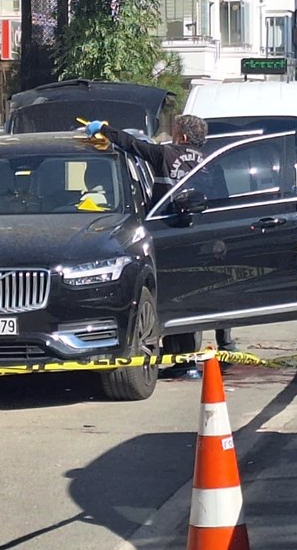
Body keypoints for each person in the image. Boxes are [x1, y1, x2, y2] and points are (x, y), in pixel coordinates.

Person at [85, 114, 208, 379]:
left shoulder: (167, 155)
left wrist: (104, 129)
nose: (171, 136)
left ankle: (182, 361)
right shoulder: (210, 162)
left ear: (182, 137)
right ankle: (196, 356)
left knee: (168, 295)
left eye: (173, 132)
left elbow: (132, 145)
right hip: (201, 235)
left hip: (168, 232)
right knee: (191, 295)